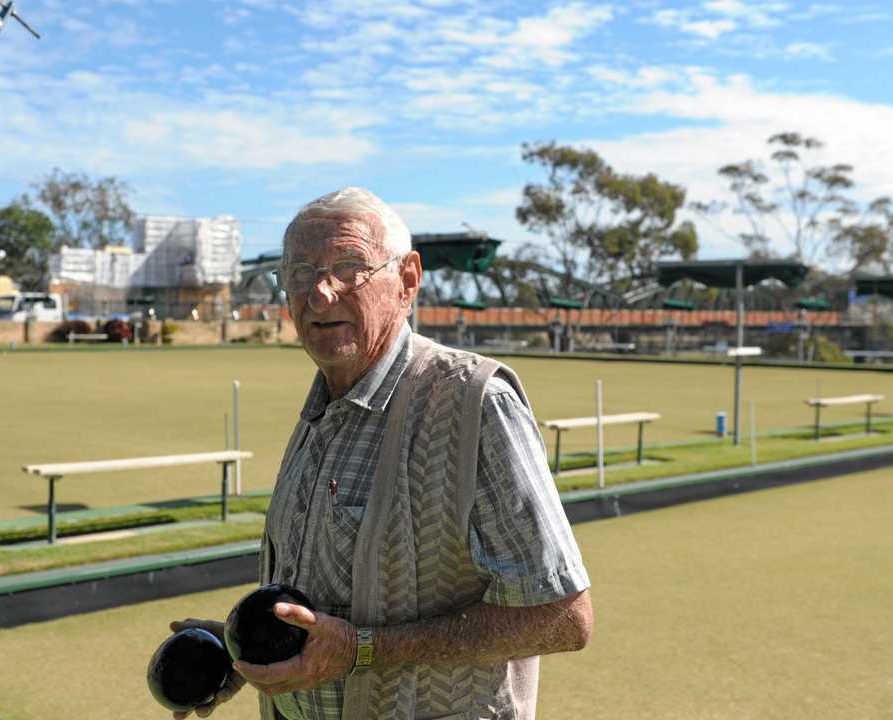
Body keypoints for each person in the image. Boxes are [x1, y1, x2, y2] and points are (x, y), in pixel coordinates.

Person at [170, 187, 591, 720]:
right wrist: (244, 649)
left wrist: (362, 650)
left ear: (408, 280)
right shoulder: (322, 409)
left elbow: (563, 619)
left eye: (349, 267)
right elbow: (325, 612)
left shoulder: (476, 402)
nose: (319, 294)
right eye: (299, 273)